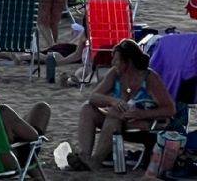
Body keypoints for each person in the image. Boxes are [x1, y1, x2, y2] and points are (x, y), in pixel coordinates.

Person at [69, 40, 176, 171]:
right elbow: (93, 97)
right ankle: (85, 156)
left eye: (117, 60)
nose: (113, 63)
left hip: (145, 125)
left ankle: (96, 160)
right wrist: (112, 100)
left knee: (115, 113)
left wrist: (141, 114)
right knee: (87, 109)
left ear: (129, 62)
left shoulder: (150, 78)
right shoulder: (115, 73)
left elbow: (170, 109)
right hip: (118, 120)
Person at [0, 64, 51, 173]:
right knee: (42, 108)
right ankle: (33, 171)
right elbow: (33, 136)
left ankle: (34, 171)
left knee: (16, 126)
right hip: (6, 165)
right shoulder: (2, 112)